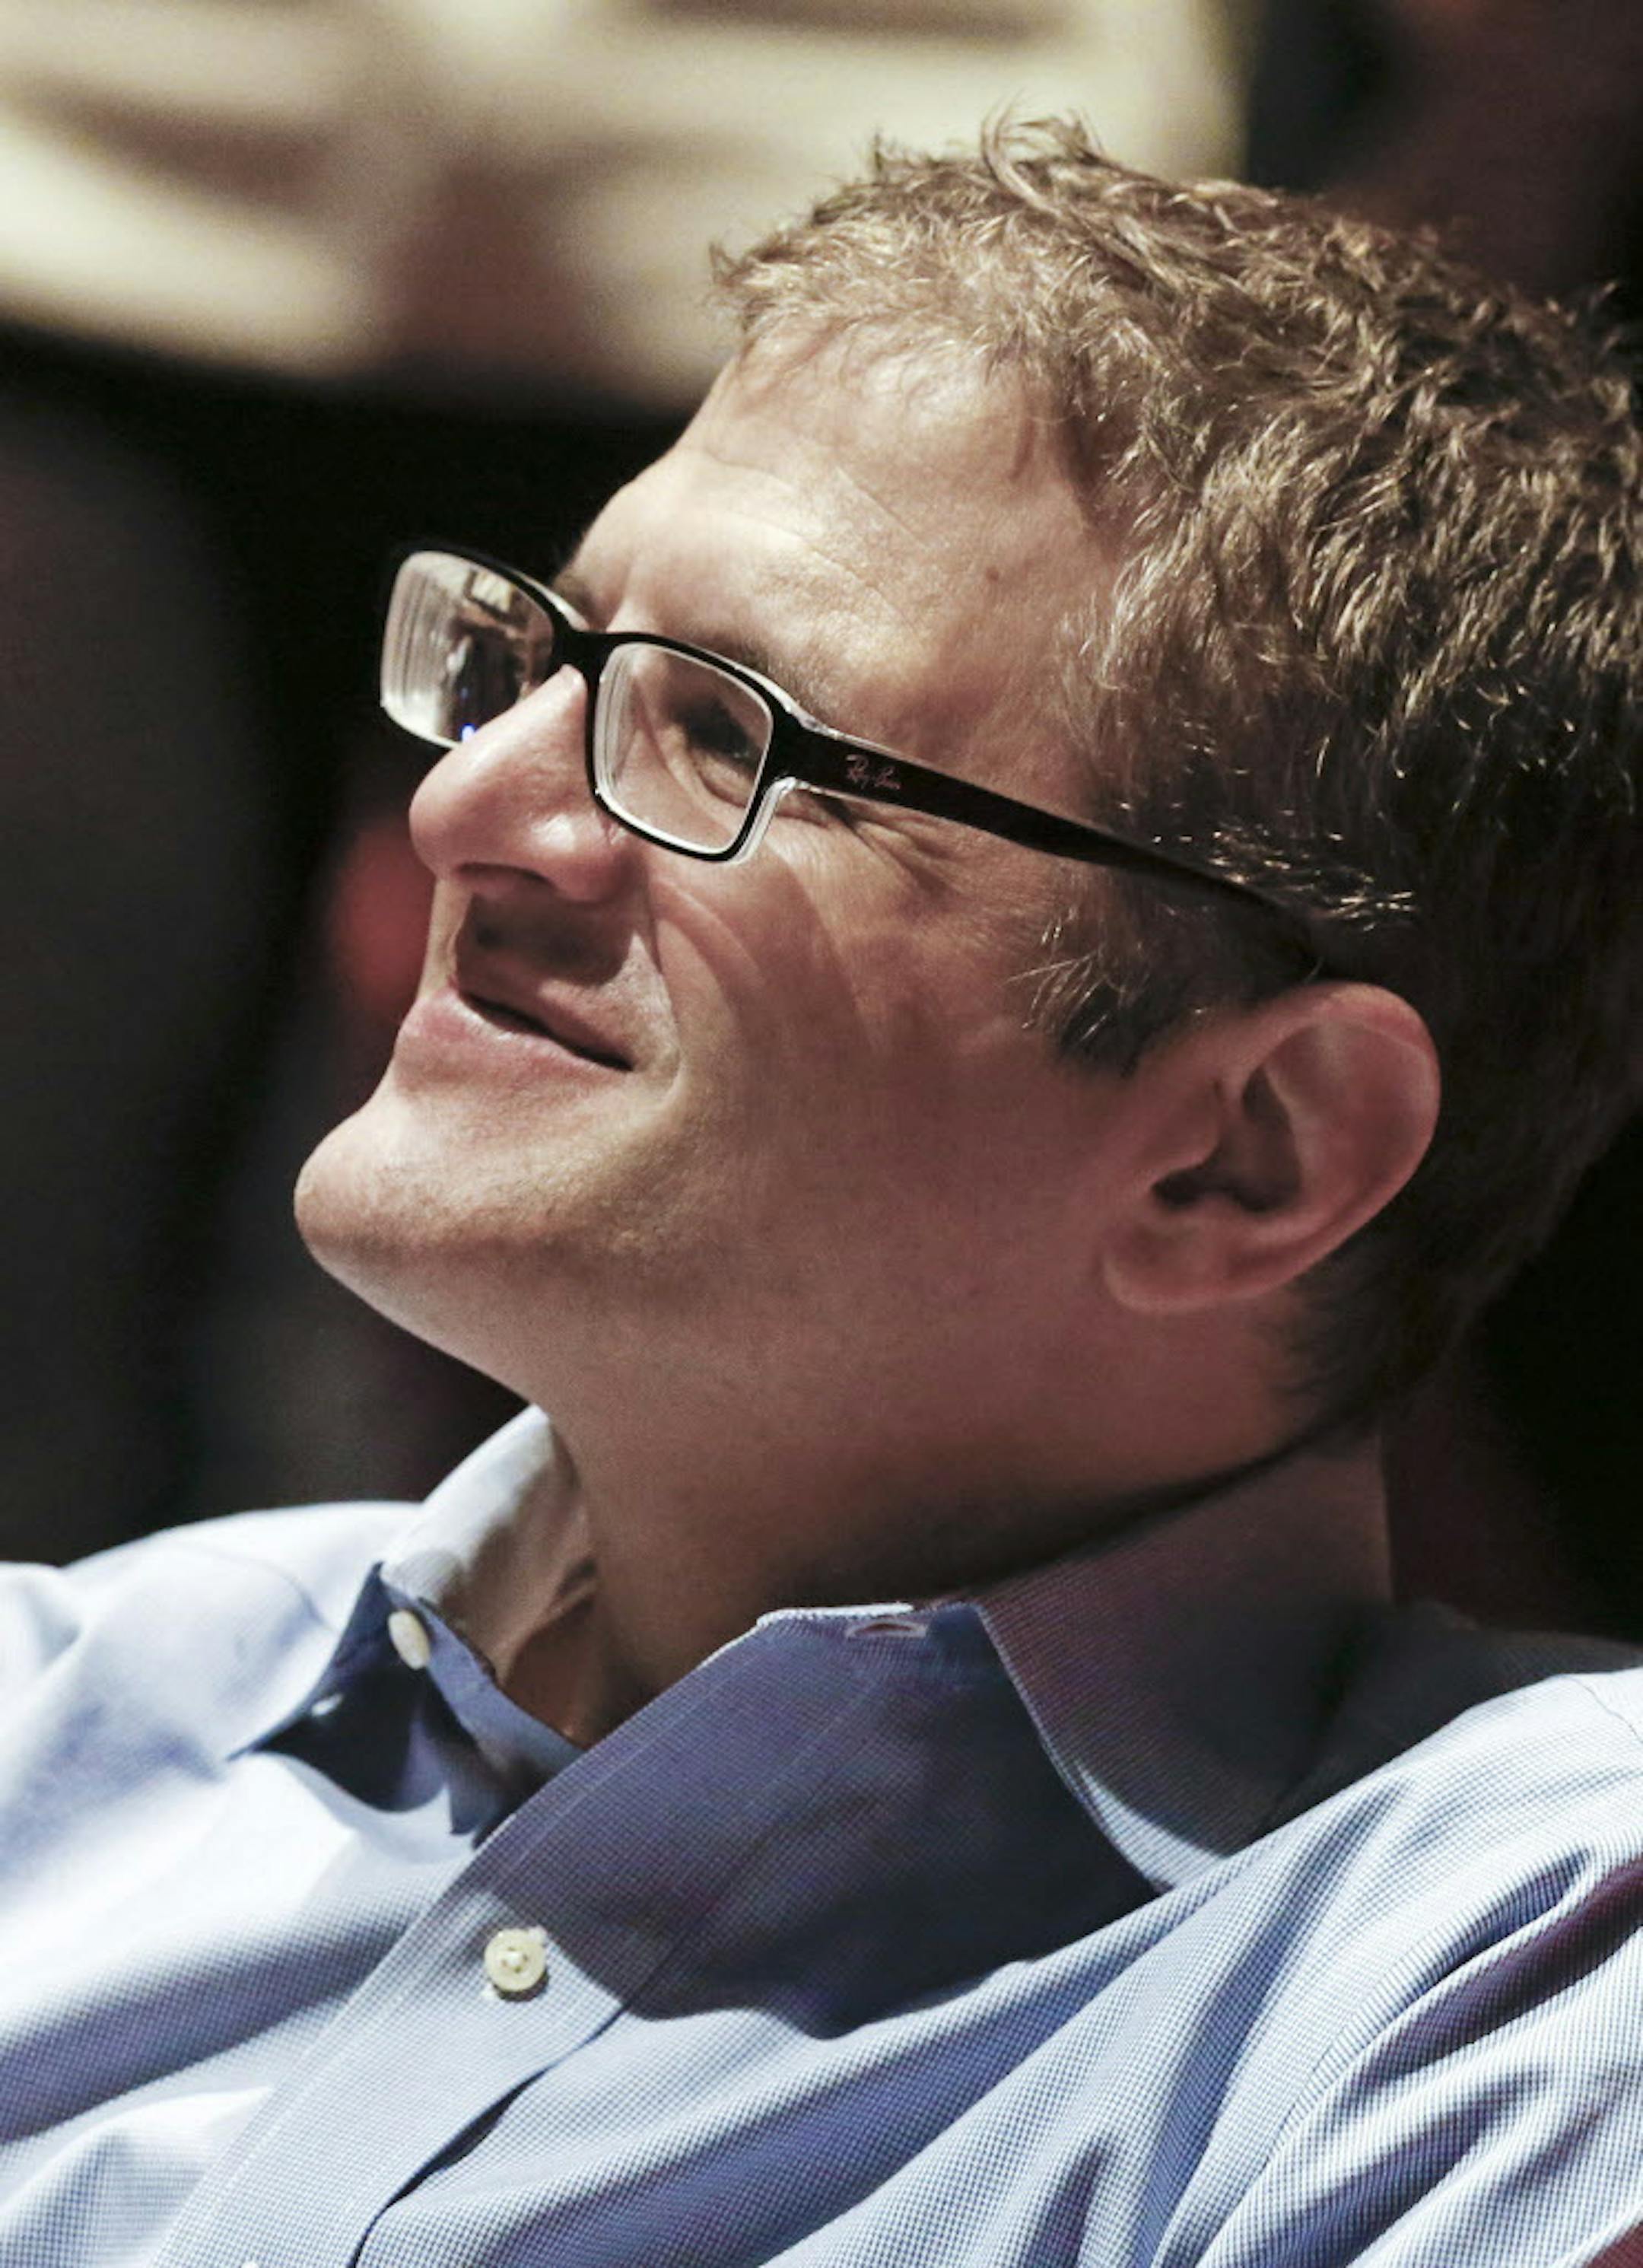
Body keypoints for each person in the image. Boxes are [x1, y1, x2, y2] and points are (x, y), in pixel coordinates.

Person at [3, 118, 1642, 2267]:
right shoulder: (69, 1713)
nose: (476, 799)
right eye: (553, 659)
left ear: (1252, 1153)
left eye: (731, 736)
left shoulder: (1489, 1971)